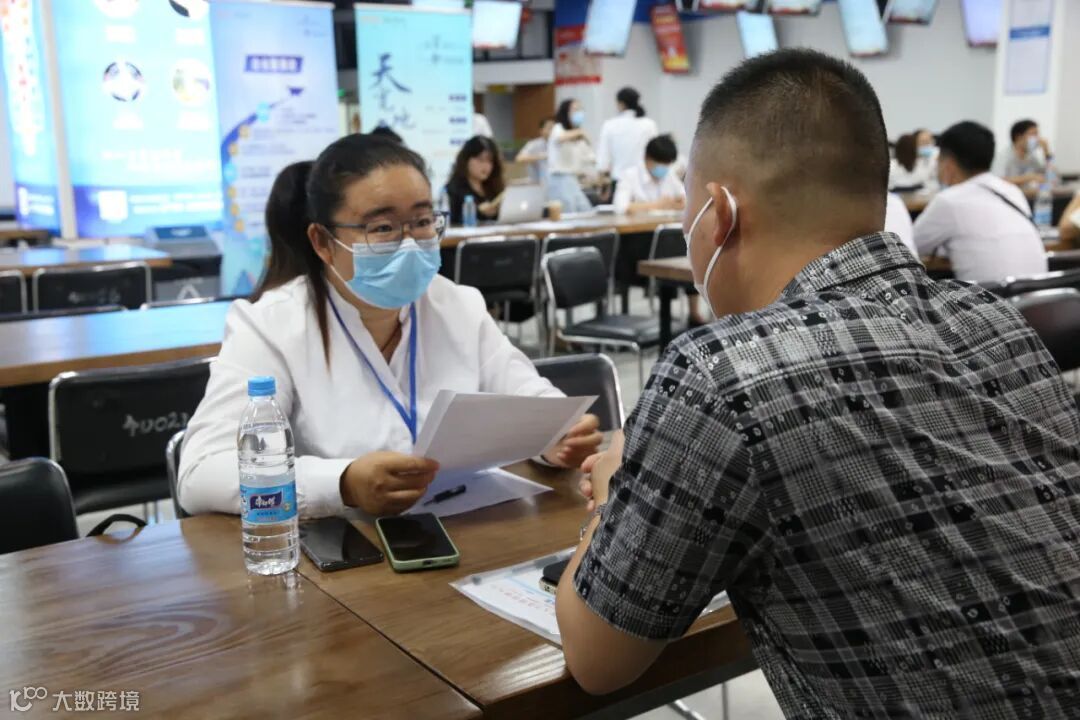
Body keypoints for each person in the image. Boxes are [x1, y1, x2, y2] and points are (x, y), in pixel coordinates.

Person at [555, 49, 1080, 717]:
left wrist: (612, 493)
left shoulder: (721, 372)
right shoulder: (997, 323)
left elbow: (597, 660)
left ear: (719, 212)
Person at [178, 139, 601, 518]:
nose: (410, 243)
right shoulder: (270, 326)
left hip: (468, 530)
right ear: (322, 242)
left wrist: (555, 438)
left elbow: (529, 395)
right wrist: (342, 484)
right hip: (342, 554)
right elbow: (201, 473)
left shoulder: (457, 304)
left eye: (422, 221)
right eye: (381, 228)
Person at [914, 121, 1047, 283]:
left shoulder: (949, 201)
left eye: (939, 159)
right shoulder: (1013, 192)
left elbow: (907, 248)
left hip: (992, 298)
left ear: (948, 163)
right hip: (1040, 295)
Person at [612, 135, 685, 215]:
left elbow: (685, 198)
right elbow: (621, 207)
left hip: (666, 222)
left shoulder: (670, 175)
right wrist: (657, 205)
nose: (663, 167)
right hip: (639, 223)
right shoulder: (629, 176)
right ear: (646, 158)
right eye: (659, 163)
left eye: (666, 164)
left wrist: (678, 203)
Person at [597, 87, 659, 181]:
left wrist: (602, 176)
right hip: (643, 179)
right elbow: (656, 153)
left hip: (619, 179)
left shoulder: (609, 125)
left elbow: (603, 160)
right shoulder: (649, 124)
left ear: (621, 104)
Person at [547, 99, 594, 213]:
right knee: (568, 214)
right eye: (575, 109)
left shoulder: (578, 135)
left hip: (573, 180)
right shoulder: (558, 128)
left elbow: (590, 157)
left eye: (580, 109)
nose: (579, 113)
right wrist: (580, 133)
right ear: (565, 112)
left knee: (586, 211)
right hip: (560, 179)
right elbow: (560, 138)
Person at [445, 135, 505, 225]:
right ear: (466, 160)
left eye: (490, 161)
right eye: (481, 160)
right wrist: (479, 212)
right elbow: (452, 222)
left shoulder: (495, 188)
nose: (486, 166)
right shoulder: (453, 190)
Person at [999, 118, 1052, 186]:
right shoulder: (1003, 156)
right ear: (1018, 137)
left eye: (1037, 135)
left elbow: (1049, 175)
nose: (1038, 139)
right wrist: (1028, 178)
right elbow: (999, 180)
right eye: (1033, 134)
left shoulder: (1031, 157)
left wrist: (1046, 150)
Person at [515, 117, 555, 186]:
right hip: (536, 183)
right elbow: (519, 158)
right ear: (541, 130)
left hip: (556, 183)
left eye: (554, 128)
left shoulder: (560, 144)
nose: (552, 131)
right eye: (549, 128)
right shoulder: (534, 144)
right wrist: (542, 156)